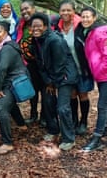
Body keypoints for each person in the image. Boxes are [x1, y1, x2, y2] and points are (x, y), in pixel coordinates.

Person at [53, 0, 107, 135]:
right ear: (59, 12)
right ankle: (75, 121)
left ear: (74, 11)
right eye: (63, 10)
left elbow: (105, 29)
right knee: (72, 95)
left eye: (69, 10)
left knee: (83, 94)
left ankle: (84, 121)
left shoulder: (80, 24)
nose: (66, 12)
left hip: (83, 66)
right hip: (68, 69)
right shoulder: (56, 26)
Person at [75, 7, 107, 152]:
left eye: (88, 16)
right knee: (106, 103)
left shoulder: (98, 32)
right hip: (102, 75)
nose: (85, 19)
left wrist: (101, 70)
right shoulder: (88, 32)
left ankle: (96, 138)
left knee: (102, 105)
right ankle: (105, 129)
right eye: (83, 17)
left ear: (94, 18)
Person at [30, 12, 79, 151]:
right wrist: (48, 81)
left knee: (62, 107)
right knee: (48, 102)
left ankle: (69, 138)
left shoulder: (54, 40)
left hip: (65, 75)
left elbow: (60, 63)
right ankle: (53, 130)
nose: (36, 29)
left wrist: (53, 82)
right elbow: (40, 64)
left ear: (46, 26)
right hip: (51, 77)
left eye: (39, 26)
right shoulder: (36, 40)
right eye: (33, 27)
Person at [0, 22, 28, 155]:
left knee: (1, 108)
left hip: (11, 83)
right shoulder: (1, 47)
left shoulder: (7, 48)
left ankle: (7, 143)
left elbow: (2, 68)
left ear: (6, 32)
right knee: (10, 105)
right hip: (9, 82)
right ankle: (22, 125)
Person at [15, 0, 45, 126]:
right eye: (22, 10)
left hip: (42, 63)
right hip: (29, 63)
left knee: (45, 91)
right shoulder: (22, 24)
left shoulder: (42, 21)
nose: (24, 12)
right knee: (33, 90)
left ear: (33, 8)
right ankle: (33, 115)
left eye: (26, 8)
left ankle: (44, 117)